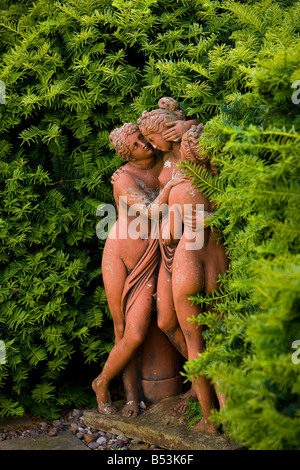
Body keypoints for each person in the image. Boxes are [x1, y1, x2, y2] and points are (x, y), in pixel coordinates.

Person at [92, 123, 187, 416]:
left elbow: (187, 139)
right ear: (126, 154)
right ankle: (117, 390)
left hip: (154, 254)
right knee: (127, 333)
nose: (143, 145)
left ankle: (196, 379)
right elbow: (150, 211)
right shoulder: (123, 179)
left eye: (142, 139)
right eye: (134, 145)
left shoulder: (164, 161)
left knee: (162, 321)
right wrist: (171, 185)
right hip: (122, 257)